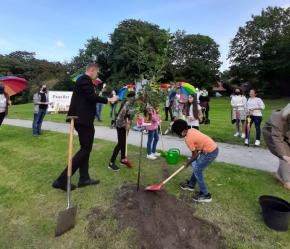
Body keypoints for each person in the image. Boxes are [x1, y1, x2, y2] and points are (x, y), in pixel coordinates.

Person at [53, 63, 118, 191]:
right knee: (85, 149)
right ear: (92, 70)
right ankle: (61, 180)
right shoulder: (84, 79)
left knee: (85, 149)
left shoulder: (85, 81)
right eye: (97, 72)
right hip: (81, 120)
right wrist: (109, 100)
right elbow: (91, 96)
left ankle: (84, 178)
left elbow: (88, 97)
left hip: (84, 120)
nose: (97, 74)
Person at [172, 119, 219, 203]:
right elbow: (196, 152)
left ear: (182, 132)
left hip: (210, 152)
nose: (177, 135)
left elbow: (195, 155)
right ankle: (191, 185)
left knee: (197, 170)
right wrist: (191, 161)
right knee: (197, 166)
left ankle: (206, 195)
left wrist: (187, 163)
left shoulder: (188, 139)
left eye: (177, 133)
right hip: (209, 150)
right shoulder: (191, 129)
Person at [263, 103, 290, 190]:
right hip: (271, 134)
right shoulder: (277, 117)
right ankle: (287, 181)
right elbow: (277, 137)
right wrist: (284, 155)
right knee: (285, 155)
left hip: (285, 135)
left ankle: (279, 175)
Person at [108, 92, 136, 171]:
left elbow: (131, 116)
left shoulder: (133, 105)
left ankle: (123, 159)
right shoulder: (127, 104)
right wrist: (125, 124)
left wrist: (129, 123)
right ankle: (111, 163)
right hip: (120, 125)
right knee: (120, 143)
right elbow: (120, 117)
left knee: (124, 142)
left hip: (126, 125)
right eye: (133, 98)